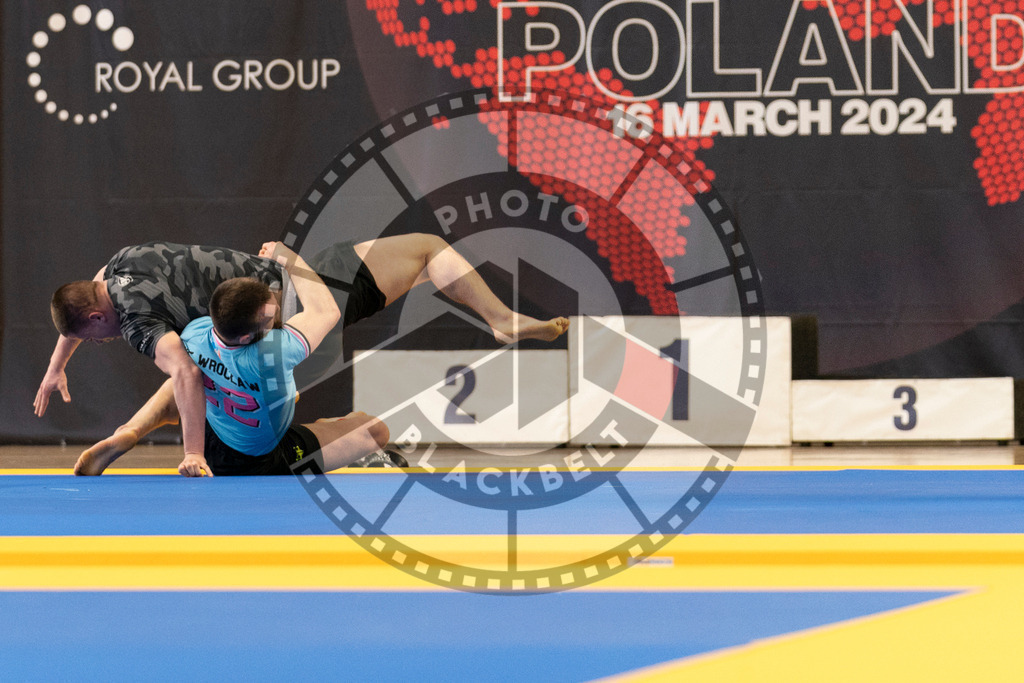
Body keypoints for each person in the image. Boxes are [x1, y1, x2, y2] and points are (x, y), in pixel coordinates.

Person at [38, 234, 570, 475]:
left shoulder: (146, 324)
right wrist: (292, 260)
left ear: (97, 316)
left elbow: (183, 371)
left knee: (191, 366)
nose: (102, 341)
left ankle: (132, 430)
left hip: (273, 316)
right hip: (285, 295)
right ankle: (500, 317)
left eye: (96, 337)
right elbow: (87, 304)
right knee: (428, 248)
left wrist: (193, 453)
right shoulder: (121, 261)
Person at [74, 242, 392, 476]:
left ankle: (132, 428)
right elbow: (326, 310)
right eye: (270, 315)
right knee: (374, 431)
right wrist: (288, 257)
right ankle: (327, 430)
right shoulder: (275, 351)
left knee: (186, 374)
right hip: (257, 460)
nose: (277, 315)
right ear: (247, 336)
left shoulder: (194, 333)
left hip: (208, 438)